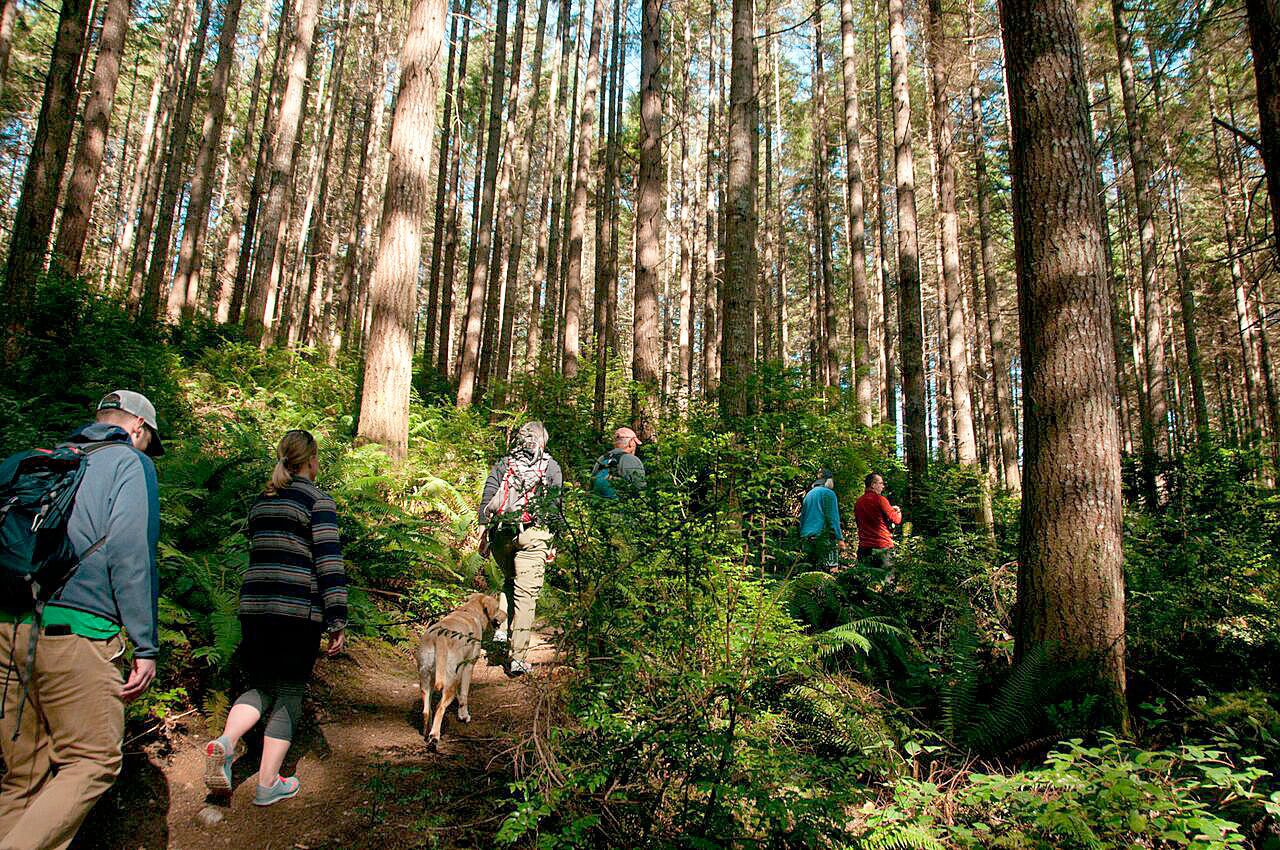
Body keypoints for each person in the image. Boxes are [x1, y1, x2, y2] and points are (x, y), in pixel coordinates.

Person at [0, 390, 163, 850]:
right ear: (138, 428)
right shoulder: (129, 464)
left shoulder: (44, 461)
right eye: (149, 442)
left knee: (22, 781)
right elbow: (131, 554)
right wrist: (145, 645)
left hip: (10, 629)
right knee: (92, 762)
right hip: (77, 634)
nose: (148, 452)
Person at [204, 430, 347, 806]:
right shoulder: (318, 501)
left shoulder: (260, 503)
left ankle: (226, 742)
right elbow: (329, 563)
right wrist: (337, 619)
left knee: (261, 683)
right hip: (296, 613)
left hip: (254, 610)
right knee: (288, 693)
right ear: (312, 460)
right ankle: (268, 784)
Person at [480, 422, 562, 677]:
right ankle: (517, 658)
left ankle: (501, 628)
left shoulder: (505, 463)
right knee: (526, 596)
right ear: (543, 442)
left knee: (510, 578)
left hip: (501, 532)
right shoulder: (551, 466)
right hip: (534, 533)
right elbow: (554, 504)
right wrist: (553, 541)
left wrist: (483, 529)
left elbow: (489, 493)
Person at [854, 473, 902, 575]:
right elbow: (896, 520)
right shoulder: (880, 499)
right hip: (882, 546)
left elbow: (859, 523)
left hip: (864, 547)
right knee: (888, 583)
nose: (883, 486)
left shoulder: (859, 502)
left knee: (863, 582)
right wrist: (898, 511)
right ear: (873, 485)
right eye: (881, 483)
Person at [799, 469, 846, 569]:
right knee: (828, 570)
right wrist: (839, 539)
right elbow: (832, 517)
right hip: (824, 537)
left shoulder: (809, 494)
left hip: (806, 536)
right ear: (829, 481)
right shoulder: (828, 493)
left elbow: (802, 518)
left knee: (809, 570)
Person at [590, 426, 647, 498]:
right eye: (635, 443)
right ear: (631, 442)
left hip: (597, 503)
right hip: (619, 506)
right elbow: (639, 487)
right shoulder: (632, 459)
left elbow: (592, 482)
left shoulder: (602, 458)